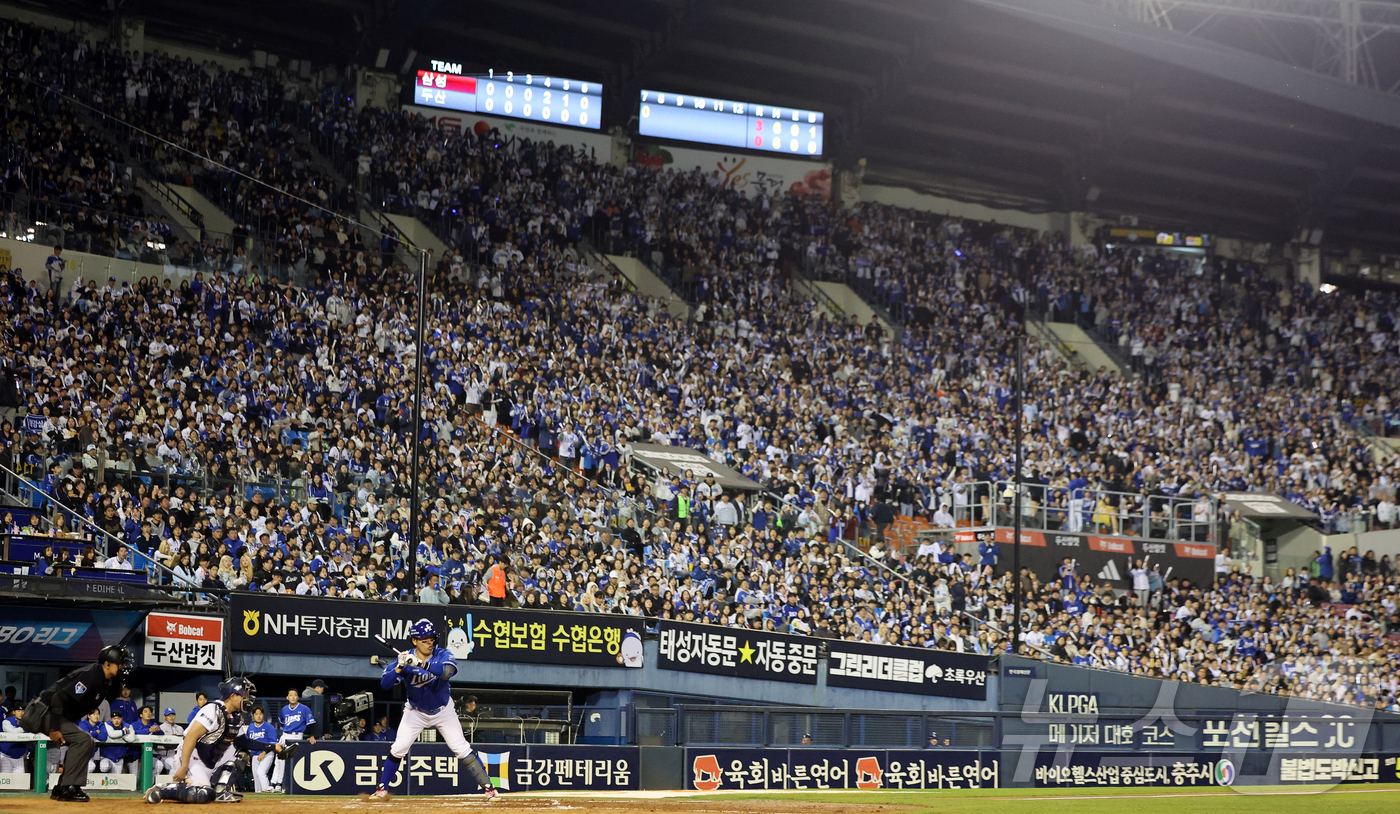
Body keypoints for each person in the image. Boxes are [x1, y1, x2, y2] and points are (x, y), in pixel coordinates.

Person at [365, 620, 499, 801]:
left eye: (431, 639)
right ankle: (382, 789)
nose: (430, 643)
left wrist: (421, 664)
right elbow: (385, 684)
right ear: (414, 641)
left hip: (443, 711)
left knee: (461, 748)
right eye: (424, 640)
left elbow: (447, 672)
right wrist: (399, 667)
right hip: (415, 711)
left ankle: (490, 789)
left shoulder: (443, 654)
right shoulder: (405, 659)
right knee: (399, 748)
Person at [144, 676, 294, 804]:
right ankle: (162, 789)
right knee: (203, 794)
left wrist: (274, 747)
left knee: (242, 753)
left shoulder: (236, 716)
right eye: (244, 694)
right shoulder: (213, 710)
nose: (248, 698)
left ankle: (221, 790)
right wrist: (184, 766)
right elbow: (190, 736)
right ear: (233, 696)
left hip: (211, 758)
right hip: (192, 758)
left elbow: (244, 742)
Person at [22, 644, 131, 802]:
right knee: (83, 740)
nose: (123, 667)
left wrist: (117, 682)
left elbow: (104, 698)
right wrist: (53, 728)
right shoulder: (91, 676)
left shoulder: (105, 681)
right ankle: (68, 787)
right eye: (120, 663)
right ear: (107, 664)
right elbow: (58, 698)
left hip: (57, 714)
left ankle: (62, 787)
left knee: (86, 742)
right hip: (43, 712)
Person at [269, 688, 316, 790]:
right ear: (287, 697)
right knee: (278, 760)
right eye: (291, 695)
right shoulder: (285, 709)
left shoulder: (304, 709)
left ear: (298, 697)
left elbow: (311, 723)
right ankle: (274, 783)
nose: (293, 697)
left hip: (296, 736)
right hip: (285, 735)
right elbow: (282, 721)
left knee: (289, 761)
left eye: (295, 695)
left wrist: (312, 735)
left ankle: (280, 783)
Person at [244, 707, 279, 793]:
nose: (258, 716)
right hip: (255, 755)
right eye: (256, 714)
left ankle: (267, 790)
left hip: (267, 753)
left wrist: (264, 752)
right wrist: (247, 755)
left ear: (263, 715)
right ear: (253, 716)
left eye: (260, 714)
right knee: (256, 776)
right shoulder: (251, 727)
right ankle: (259, 795)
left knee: (261, 772)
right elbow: (248, 742)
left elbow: (273, 743)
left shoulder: (269, 727)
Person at [154, 708, 184, 776]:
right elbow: (156, 745)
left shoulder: (179, 728)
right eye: (169, 715)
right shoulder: (160, 728)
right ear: (165, 716)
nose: (171, 717)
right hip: (163, 756)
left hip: (176, 755)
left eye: (173, 715)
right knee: (173, 766)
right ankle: (171, 784)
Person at [0, 706, 28, 773]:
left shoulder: (27, 723)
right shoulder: (6, 721)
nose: (21, 713)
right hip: (6, 756)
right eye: (18, 711)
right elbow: (12, 732)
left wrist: (26, 751)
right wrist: (23, 728)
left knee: (20, 780)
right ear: (14, 712)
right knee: (6, 780)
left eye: (22, 711)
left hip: (19, 757)